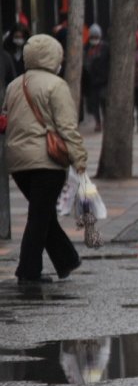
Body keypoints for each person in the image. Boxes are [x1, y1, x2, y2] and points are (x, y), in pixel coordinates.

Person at [2, 34, 88, 285]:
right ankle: (27, 271)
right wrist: (79, 158)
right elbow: (67, 127)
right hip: (46, 160)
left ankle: (66, 260)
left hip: (17, 162)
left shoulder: (15, 85)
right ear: (55, 56)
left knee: (43, 213)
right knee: (39, 217)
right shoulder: (56, 85)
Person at [83, 24, 110, 132]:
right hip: (91, 81)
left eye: (96, 37)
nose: (94, 39)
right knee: (94, 104)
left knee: (104, 102)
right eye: (92, 37)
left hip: (103, 80)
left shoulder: (105, 47)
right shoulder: (87, 47)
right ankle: (98, 122)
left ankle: (105, 121)